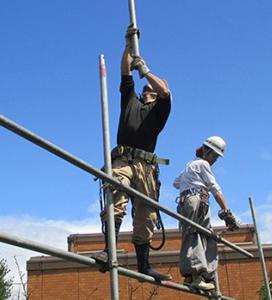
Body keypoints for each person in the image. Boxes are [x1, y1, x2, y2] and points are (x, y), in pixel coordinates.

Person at [98, 26, 172, 281]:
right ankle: (109, 250)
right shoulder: (131, 100)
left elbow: (165, 91)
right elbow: (124, 71)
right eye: (147, 88)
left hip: (147, 167)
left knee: (147, 215)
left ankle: (144, 264)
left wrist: (146, 70)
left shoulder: (160, 111)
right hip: (123, 160)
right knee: (115, 196)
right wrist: (129, 45)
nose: (149, 90)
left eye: (152, 88)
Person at [173, 136, 239, 291]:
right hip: (195, 199)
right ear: (206, 150)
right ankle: (194, 276)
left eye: (217, 157)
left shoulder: (191, 165)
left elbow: (176, 182)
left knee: (208, 236)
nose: (214, 159)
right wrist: (226, 211)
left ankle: (206, 276)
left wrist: (188, 182)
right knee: (194, 234)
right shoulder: (202, 164)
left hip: (199, 200)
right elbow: (215, 188)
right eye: (214, 155)